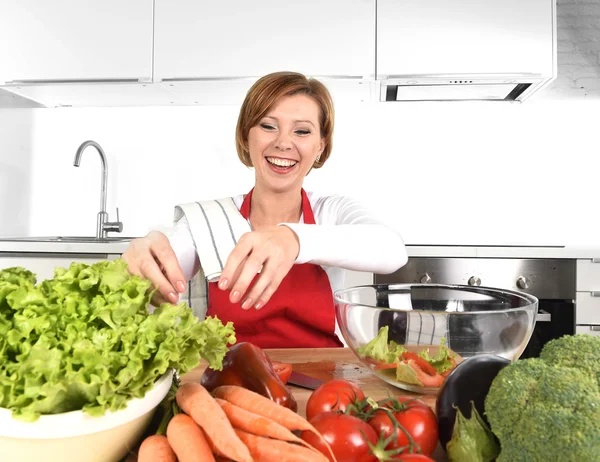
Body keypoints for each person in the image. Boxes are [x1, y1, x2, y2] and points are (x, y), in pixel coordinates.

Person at [123, 71, 408, 348]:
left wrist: (293, 240)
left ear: (321, 145)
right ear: (246, 137)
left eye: (302, 131)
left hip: (322, 379)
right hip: (228, 381)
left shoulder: (330, 212)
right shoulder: (208, 221)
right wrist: (144, 261)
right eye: (268, 126)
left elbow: (392, 250)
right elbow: (166, 266)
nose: (283, 143)